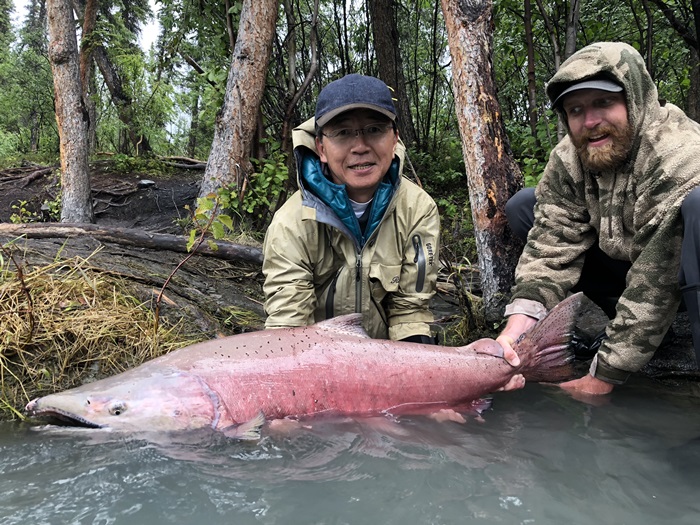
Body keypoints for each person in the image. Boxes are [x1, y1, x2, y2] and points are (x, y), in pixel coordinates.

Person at [497, 42, 700, 396]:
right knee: (525, 204)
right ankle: (644, 332)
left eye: (603, 103)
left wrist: (604, 374)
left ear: (633, 99)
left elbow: (656, 276)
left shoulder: (677, 154)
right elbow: (549, 249)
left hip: (680, 273)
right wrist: (514, 334)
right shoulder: (569, 159)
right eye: (576, 110)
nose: (590, 121)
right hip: (631, 265)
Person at [262, 74, 440, 342]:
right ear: (321, 148)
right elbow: (288, 327)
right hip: (317, 356)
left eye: (375, 130)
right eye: (343, 133)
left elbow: (410, 313)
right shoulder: (291, 222)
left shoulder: (418, 210)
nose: (360, 147)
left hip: (389, 356)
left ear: (394, 140)